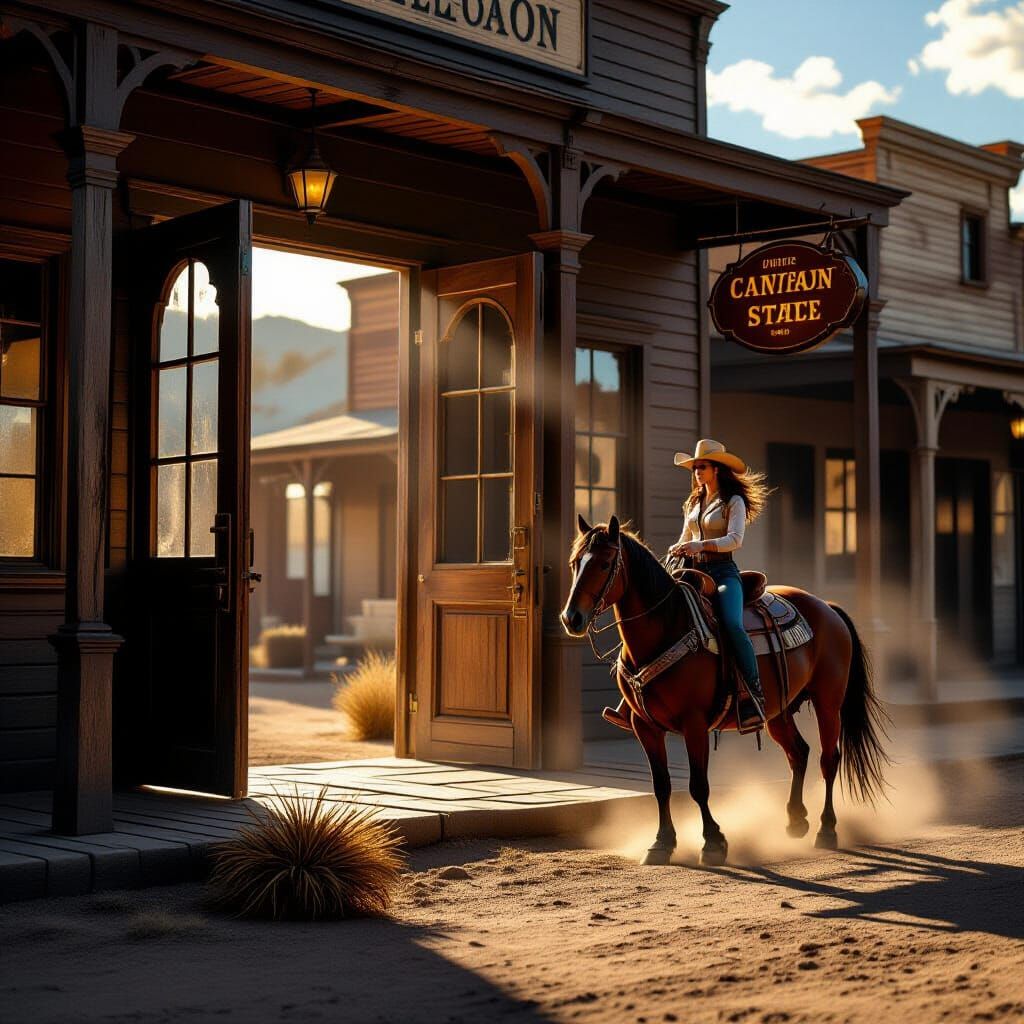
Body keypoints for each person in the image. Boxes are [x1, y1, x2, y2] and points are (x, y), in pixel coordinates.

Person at [601, 438, 771, 732]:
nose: (696, 472)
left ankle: (751, 693)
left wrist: (700, 545)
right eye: (694, 468)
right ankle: (629, 701)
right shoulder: (693, 502)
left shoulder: (734, 502)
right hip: (691, 571)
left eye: (701, 467)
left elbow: (736, 540)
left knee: (731, 623)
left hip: (723, 573)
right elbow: (684, 536)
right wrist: (679, 548)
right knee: (649, 616)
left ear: (716, 469)